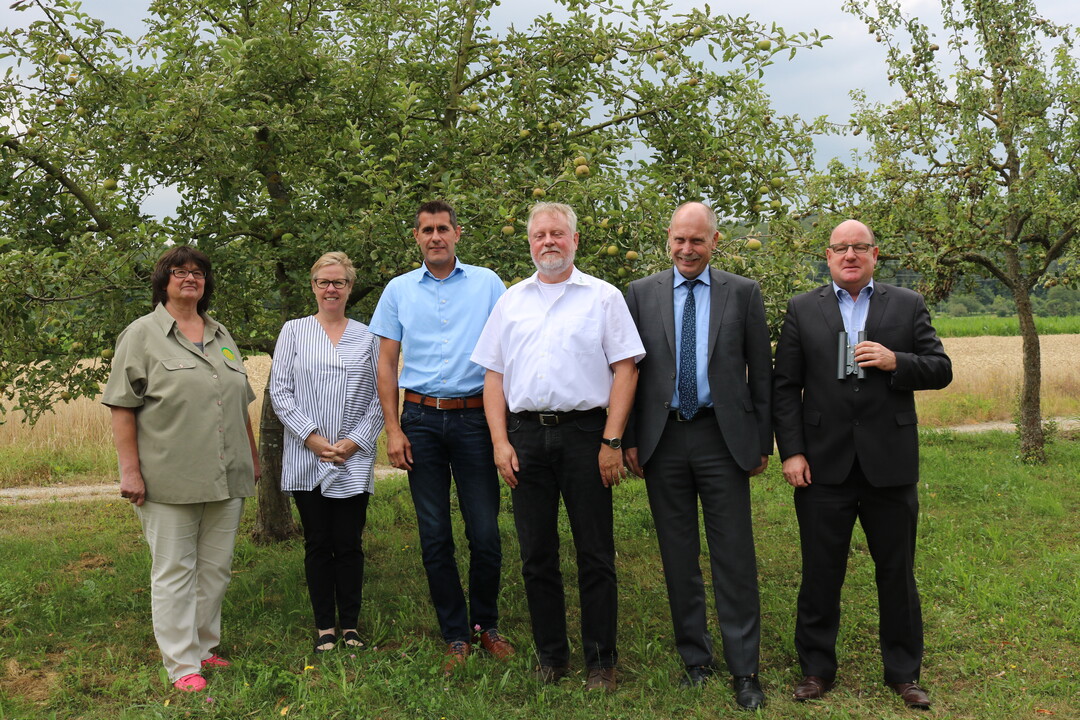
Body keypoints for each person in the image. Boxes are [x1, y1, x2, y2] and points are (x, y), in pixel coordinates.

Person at [772, 219, 952, 711]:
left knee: (897, 572)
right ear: (827, 256)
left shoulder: (907, 304)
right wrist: (792, 451)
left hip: (889, 466)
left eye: (859, 248)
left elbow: (941, 369)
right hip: (822, 465)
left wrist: (899, 362)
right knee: (819, 572)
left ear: (876, 254)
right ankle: (815, 669)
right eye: (840, 248)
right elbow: (784, 387)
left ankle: (903, 672)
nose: (849, 255)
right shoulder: (803, 308)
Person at [471, 202, 644, 693]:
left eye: (557, 234)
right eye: (539, 235)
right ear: (529, 242)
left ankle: (600, 662)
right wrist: (500, 441)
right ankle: (552, 656)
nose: (548, 241)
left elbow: (626, 370)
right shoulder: (511, 301)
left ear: (575, 240)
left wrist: (612, 440)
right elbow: (493, 375)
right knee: (536, 554)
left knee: (595, 553)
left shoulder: (603, 298)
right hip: (525, 436)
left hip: (586, 436)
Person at [623, 201, 770, 710]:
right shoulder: (640, 294)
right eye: (680, 240)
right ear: (669, 240)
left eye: (698, 240)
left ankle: (744, 669)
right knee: (678, 556)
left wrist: (760, 441)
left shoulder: (744, 293)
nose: (688, 249)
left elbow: (763, 376)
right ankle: (694, 659)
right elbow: (629, 374)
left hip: (722, 440)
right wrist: (628, 440)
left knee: (734, 557)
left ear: (715, 241)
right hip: (664, 441)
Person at [102, 246, 260, 693]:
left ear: (206, 283)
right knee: (174, 571)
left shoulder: (220, 332)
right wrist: (129, 472)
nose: (189, 279)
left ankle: (205, 647)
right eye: (179, 272)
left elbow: (239, 402)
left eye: (197, 273)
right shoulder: (141, 334)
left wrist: (249, 456)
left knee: (215, 569)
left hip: (228, 475)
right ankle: (181, 664)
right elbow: (121, 406)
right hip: (168, 478)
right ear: (163, 281)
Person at [369, 200, 513, 673]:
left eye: (443, 229)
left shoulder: (489, 283)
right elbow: (386, 363)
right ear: (416, 236)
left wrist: (502, 432)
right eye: (427, 229)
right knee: (434, 535)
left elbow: (507, 352)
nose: (436, 236)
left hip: (474, 419)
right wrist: (393, 429)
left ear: (458, 233)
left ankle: (485, 626)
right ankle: (455, 633)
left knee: (485, 532)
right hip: (421, 421)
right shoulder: (397, 291)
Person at [269, 252, 384, 655]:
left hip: (353, 455)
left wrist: (355, 441)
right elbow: (279, 392)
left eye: (339, 282)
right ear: (313, 287)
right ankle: (324, 627)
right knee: (318, 543)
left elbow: (380, 397)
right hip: (308, 457)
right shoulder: (295, 331)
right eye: (323, 282)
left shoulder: (369, 336)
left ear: (350, 287)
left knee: (349, 542)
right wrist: (312, 438)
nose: (331, 289)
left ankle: (350, 625)